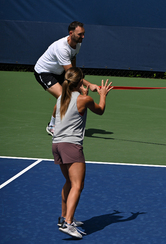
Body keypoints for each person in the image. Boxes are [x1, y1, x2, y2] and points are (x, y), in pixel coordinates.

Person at [52, 67, 112, 239]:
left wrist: (81, 93)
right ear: (79, 83)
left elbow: (57, 113)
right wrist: (102, 95)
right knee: (78, 185)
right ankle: (68, 223)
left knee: (69, 182)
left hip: (56, 145)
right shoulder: (84, 99)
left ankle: (64, 217)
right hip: (71, 146)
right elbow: (100, 110)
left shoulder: (60, 98)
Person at [34, 21, 98, 136]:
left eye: (83, 34)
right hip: (45, 72)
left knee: (73, 95)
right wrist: (89, 85)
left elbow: (72, 63)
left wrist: (80, 87)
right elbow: (70, 72)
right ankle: (52, 126)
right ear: (71, 33)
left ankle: (66, 123)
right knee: (63, 97)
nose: (83, 37)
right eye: (80, 34)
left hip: (59, 71)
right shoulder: (62, 48)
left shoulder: (78, 43)